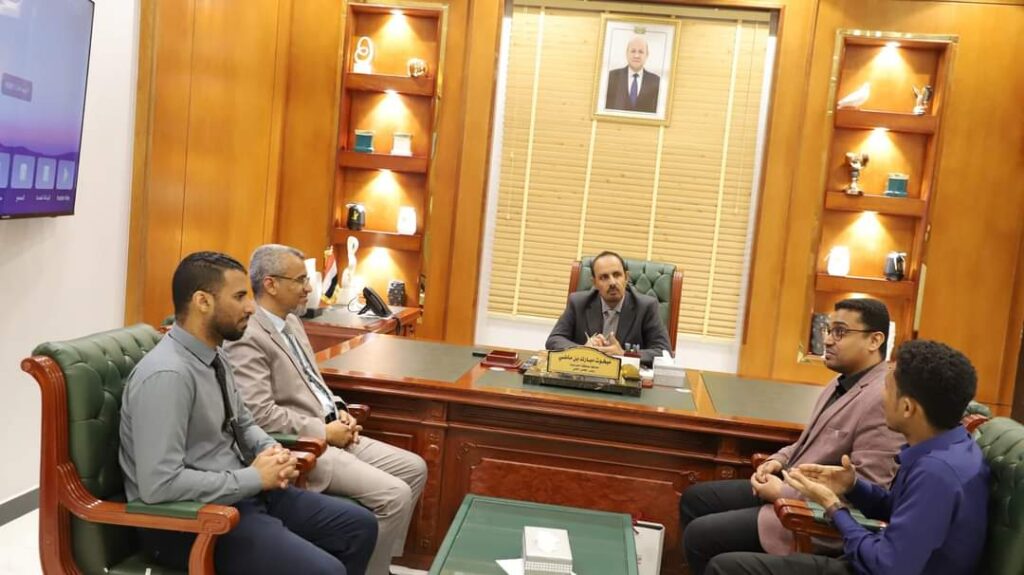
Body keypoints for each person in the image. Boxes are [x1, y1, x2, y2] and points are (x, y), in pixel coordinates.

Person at [120, 251, 377, 575]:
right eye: (240, 296)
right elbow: (159, 485)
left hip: (243, 494)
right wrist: (253, 477)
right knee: (326, 571)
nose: (251, 307)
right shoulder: (168, 376)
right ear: (202, 302)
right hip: (193, 520)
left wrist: (272, 451)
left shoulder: (215, 356)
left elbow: (243, 422)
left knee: (359, 526)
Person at [225, 244, 427, 575]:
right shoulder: (248, 335)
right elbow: (260, 414)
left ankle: (378, 565)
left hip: (333, 429)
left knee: (414, 468)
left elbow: (312, 381)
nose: (308, 288)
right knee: (395, 495)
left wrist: (339, 408)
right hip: (305, 445)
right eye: (300, 280)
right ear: (271, 284)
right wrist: (324, 431)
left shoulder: (291, 322)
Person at [706, 339, 989, 575]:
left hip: (876, 565)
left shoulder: (937, 472)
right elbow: (897, 510)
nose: (881, 395)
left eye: (887, 388)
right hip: (878, 557)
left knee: (725, 568)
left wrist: (833, 506)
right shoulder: (949, 447)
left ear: (907, 408)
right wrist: (852, 486)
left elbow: (886, 565)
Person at [681, 298, 903, 574]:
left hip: (809, 517)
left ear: (875, 340)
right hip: (789, 485)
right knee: (695, 499)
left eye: (840, 332)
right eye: (828, 330)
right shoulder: (841, 381)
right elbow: (809, 441)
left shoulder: (882, 398)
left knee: (700, 536)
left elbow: (865, 491)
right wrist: (777, 460)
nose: (828, 340)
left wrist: (782, 492)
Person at [545, 250, 671, 367]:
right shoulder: (578, 303)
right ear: (594, 283)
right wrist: (583, 350)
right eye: (604, 277)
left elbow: (664, 352)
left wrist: (623, 354)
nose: (612, 282)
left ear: (626, 277)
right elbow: (554, 340)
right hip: (588, 373)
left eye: (617, 275)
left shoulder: (646, 306)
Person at [605, 35, 661, 113]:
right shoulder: (611, 77)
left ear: (647, 55)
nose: (636, 56)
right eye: (633, 51)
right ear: (626, 53)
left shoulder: (656, 81)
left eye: (641, 52)